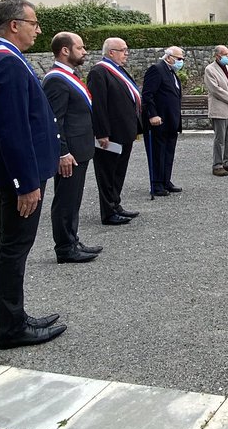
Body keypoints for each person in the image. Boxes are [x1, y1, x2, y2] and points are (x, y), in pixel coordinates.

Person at [0, 0, 66, 349]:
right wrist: (26, 183)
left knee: (12, 247)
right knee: (13, 248)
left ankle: (16, 316)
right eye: (33, 23)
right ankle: (11, 328)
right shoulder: (5, 62)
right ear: (14, 25)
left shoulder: (2, 57)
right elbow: (12, 130)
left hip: (20, 173)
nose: (38, 30)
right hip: (20, 178)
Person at [42, 32, 102, 264]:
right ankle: (65, 247)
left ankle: (72, 239)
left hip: (80, 148)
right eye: (80, 47)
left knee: (73, 197)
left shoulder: (70, 76)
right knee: (66, 199)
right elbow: (55, 120)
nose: (85, 51)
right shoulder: (56, 79)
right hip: (70, 153)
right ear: (65, 51)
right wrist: (62, 152)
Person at [87, 37, 141, 225]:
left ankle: (116, 204)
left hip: (124, 131)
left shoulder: (118, 70)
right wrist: (102, 133)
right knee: (107, 173)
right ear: (111, 52)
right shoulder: (99, 71)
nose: (126, 53)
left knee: (118, 172)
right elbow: (99, 105)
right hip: (110, 134)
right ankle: (108, 212)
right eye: (123, 50)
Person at [142, 46, 185, 196]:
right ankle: (156, 184)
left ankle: (166, 180)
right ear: (168, 57)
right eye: (179, 59)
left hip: (171, 121)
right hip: (158, 121)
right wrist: (152, 114)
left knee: (168, 152)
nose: (181, 62)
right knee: (157, 152)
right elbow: (147, 95)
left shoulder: (172, 73)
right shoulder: (156, 69)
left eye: (182, 59)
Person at [203, 45, 228, 176]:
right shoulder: (210, 69)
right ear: (217, 56)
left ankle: (227, 162)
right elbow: (216, 90)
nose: (227, 57)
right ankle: (217, 165)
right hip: (220, 108)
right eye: (225, 55)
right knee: (220, 138)